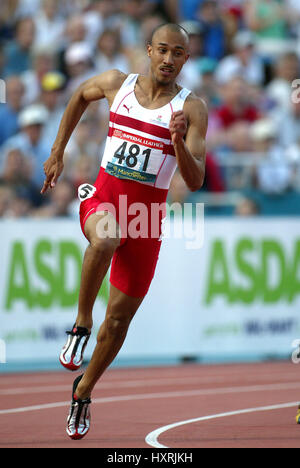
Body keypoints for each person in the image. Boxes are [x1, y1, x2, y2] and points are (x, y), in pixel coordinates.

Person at [41, 22, 208, 440]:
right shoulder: (118, 83)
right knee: (106, 237)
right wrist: (57, 150)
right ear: (149, 51)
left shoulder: (191, 109)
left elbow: (196, 178)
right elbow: (80, 94)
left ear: (186, 60)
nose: (169, 59)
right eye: (162, 50)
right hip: (102, 199)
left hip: (147, 221)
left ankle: (83, 391)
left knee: (117, 322)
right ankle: (80, 324)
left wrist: (179, 144)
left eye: (178, 54)